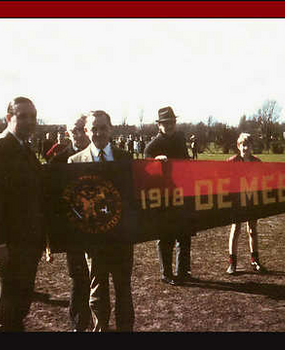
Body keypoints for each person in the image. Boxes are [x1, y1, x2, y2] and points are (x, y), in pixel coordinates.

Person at [0, 96, 45, 331]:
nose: (29, 121)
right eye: (23, 116)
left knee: (19, 307)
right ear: (9, 118)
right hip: (8, 244)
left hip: (26, 242)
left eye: (33, 117)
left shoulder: (24, 148)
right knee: (5, 314)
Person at [68, 110, 134, 332]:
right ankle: (101, 330)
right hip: (94, 241)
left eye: (103, 127)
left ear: (111, 129)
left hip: (122, 238)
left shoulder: (125, 158)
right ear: (86, 131)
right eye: (94, 128)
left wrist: (159, 164)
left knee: (124, 289)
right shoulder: (74, 161)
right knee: (97, 291)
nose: (98, 133)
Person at [49, 115, 92, 332]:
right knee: (78, 279)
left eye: (81, 130)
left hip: (98, 229)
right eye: (73, 131)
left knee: (97, 278)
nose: (77, 134)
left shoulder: (103, 158)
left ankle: (96, 320)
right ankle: (78, 324)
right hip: (73, 232)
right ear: (68, 133)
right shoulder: (58, 162)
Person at [144, 106, 193, 286]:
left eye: (172, 122)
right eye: (166, 123)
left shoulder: (180, 139)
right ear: (159, 126)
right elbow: (146, 162)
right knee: (165, 236)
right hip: (163, 197)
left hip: (181, 193)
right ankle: (166, 273)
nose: (170, 125)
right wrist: (156, 162)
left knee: (184, 235)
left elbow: (186, 160)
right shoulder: (153, 145)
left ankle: (183, 271)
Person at [226, 133, 267, 275]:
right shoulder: (232, 161)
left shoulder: (257, 162)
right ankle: (232, 262)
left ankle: (255, 260)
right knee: (236, 228)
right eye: (243, 145)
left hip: (252, 200)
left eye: (248, 145)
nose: (246, 148)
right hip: (237, 201)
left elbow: (264, 180)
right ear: (238, 146)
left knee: (252, 229)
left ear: (252, 147)